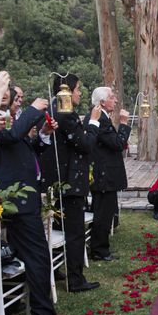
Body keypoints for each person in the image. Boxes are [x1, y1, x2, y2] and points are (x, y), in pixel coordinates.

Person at [0, 73, 68, 315]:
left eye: (9, 89)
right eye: (1, 88)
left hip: (24, 198)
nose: (7, 93)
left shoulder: (7, 119)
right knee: (38, 257)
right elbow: (9, 138)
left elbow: (22, 146)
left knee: (36, 257)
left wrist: (43, 134)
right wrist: (33, 110)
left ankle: (34, 311)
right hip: (14, 202)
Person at [40, 73, 101, 292]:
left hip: (57, 181)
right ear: (65, 92)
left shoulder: (54, 112)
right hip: (69, 183)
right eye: (77, 90)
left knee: (58, 227)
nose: (79, 93)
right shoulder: (66, 115)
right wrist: (93, 122)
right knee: (74, 232)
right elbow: (85, 144)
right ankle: (75, 280)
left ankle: (57, 271)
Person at [90, 86, 131, 262]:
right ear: (102, 102)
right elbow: (116, 144)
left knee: (107, 213)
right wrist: (123, 124)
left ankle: (102, 248)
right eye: (112, 97)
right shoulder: (101, 121)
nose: (115, 100)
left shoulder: (104, 118)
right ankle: (99, 250)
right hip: (104, 176)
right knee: (103, 214)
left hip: (106, 174)